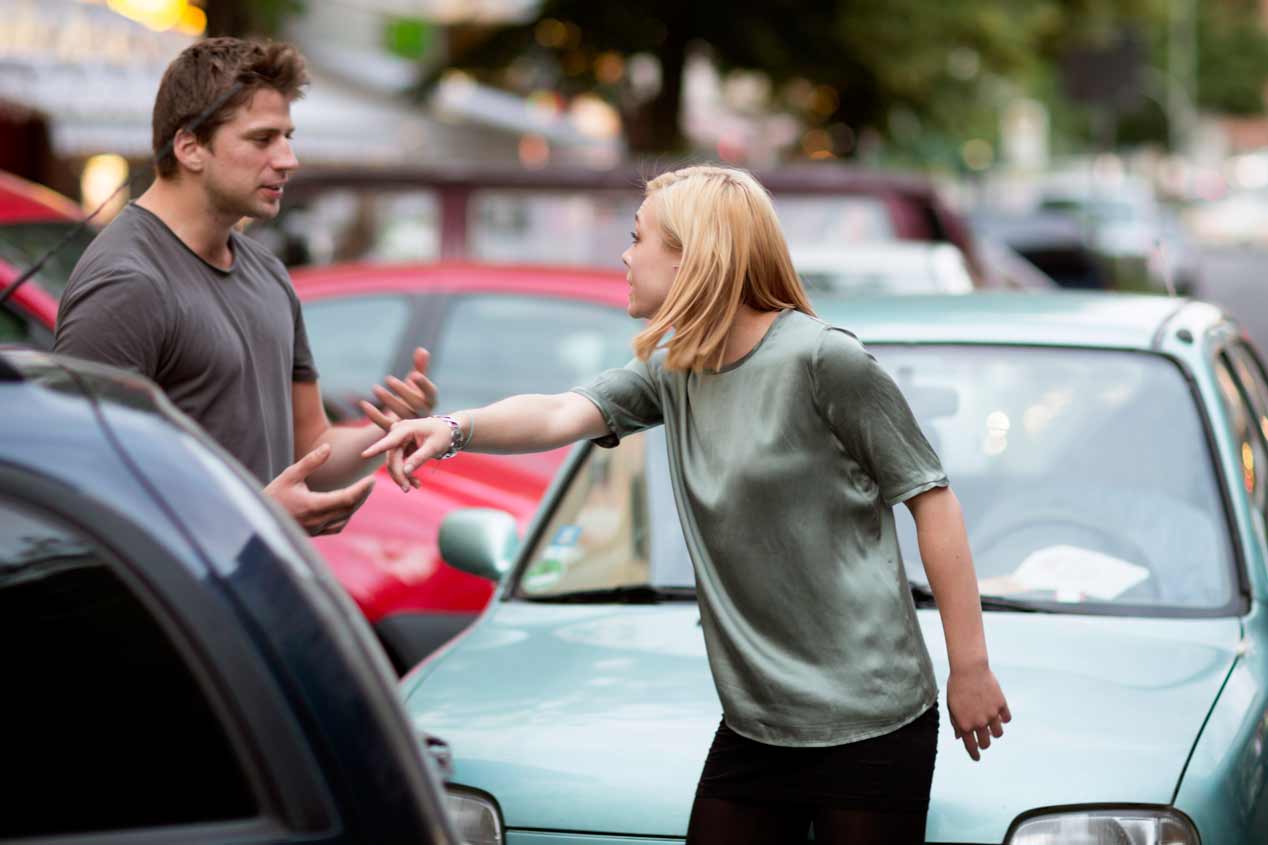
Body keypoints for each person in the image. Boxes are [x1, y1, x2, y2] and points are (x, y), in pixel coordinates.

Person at [362, 165, 1010, 844]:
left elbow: (931, 499)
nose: (624, 254)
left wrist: (968, 667)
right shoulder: (677, 370)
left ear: (694, 256)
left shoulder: (823, 361)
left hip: (872, 722)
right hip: (757, 723)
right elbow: (558, 412)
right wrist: (454, 430)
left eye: (639, 237)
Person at [54, 38, 435, 536]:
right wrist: (253, 516)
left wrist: (386, 434)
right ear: (189, 146)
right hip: (171, 607)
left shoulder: (267, 271)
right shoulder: (126, 282)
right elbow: (82, 490)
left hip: (256, 592)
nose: (288, 159)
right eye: (263, 139)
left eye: (288, 137)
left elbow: (312, 446)